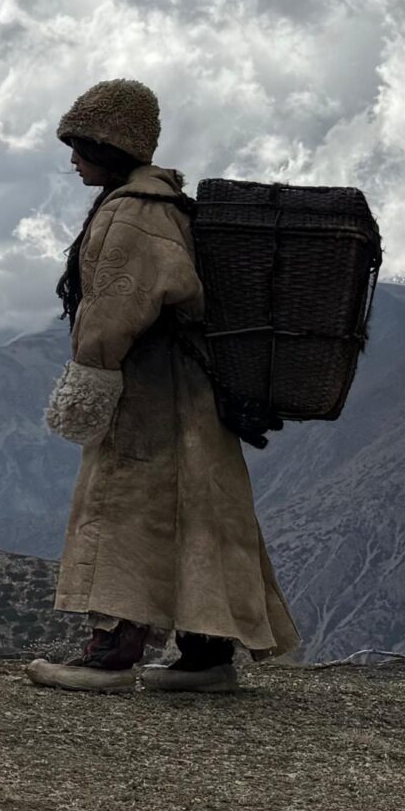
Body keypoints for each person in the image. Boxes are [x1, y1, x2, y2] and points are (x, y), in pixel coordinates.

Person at [27, 78, 299, 692]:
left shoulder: (131, 214)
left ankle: (111, 653)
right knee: (200, 517)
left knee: (123, 510)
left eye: (80, 147)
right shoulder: (168, 206)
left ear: (108, 147)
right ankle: (205, 656)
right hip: (194, 395)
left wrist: (91, 374)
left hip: (150, 397)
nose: (73, 161)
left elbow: (113, 308)